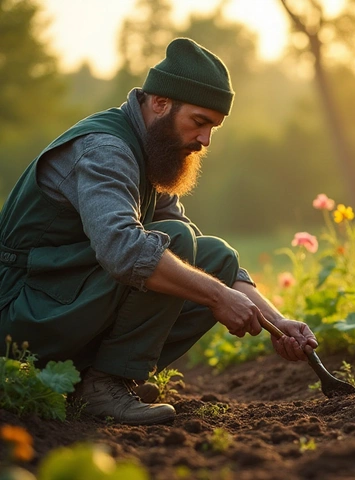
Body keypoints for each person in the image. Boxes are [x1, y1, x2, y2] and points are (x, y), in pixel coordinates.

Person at [0, 38, 318, 425]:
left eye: (213, 128)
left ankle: (93, 380)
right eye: (199, 122)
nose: (205, 141)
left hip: (61, 299)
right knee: (176, 246)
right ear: (160, 103)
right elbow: (123, 250)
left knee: (214, 255)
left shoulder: (148, 149)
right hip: (20, 311)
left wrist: (276, 321)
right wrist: (218, 297)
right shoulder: (105, 148)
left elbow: (194, 246)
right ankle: (105, 386)